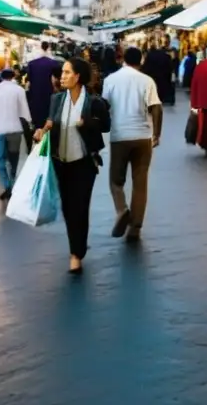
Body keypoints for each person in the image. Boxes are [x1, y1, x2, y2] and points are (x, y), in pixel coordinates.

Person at [34, 58, 110, 273]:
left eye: (67, 72)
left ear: (78, 77)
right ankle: (76, 245)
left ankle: (76, 254)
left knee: (80, 206)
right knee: (68, 208)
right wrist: (41, 132)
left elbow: (106, 125)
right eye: (62, 73)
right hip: (61, 163)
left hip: (85, 163)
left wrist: (87, 124)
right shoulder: (56, 100)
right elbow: (49, 124)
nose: (62, 76)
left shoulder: (93, 102)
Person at [102, 46, 162, 242]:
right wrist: (157, 134)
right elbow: (156, 108)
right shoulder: (147, 80)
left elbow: (104, 106)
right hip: (142, 136)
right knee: (140, 182)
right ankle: (135, 227)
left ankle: (121, 209)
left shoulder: (110, 80)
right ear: (141, 60)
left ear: (123, 60)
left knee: (115, 180)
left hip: (120, 136)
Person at [0, 68, 32, 201]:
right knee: (14, 158)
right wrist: (29, 121)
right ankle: (13, 184)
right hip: (15, 130)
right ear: (13, 77)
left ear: (1, 77)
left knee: (0, 158)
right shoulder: (19, 90)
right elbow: (24, 109)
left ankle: (7, 186)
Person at [25, 42, 62, 131]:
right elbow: (58, 80)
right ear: (48, 48)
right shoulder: (54, 63)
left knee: (36, 126)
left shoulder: (32, 64)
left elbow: (28, 81)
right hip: (49, 98)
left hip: (35, 98)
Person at [143, 42, 175, 106]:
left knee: (155, 88)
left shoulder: (149, 55)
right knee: (164, 86)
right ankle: (164, 99)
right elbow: (170, 67)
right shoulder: (166, 55)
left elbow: (146, 67)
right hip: (164, 75)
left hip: (153, 75)